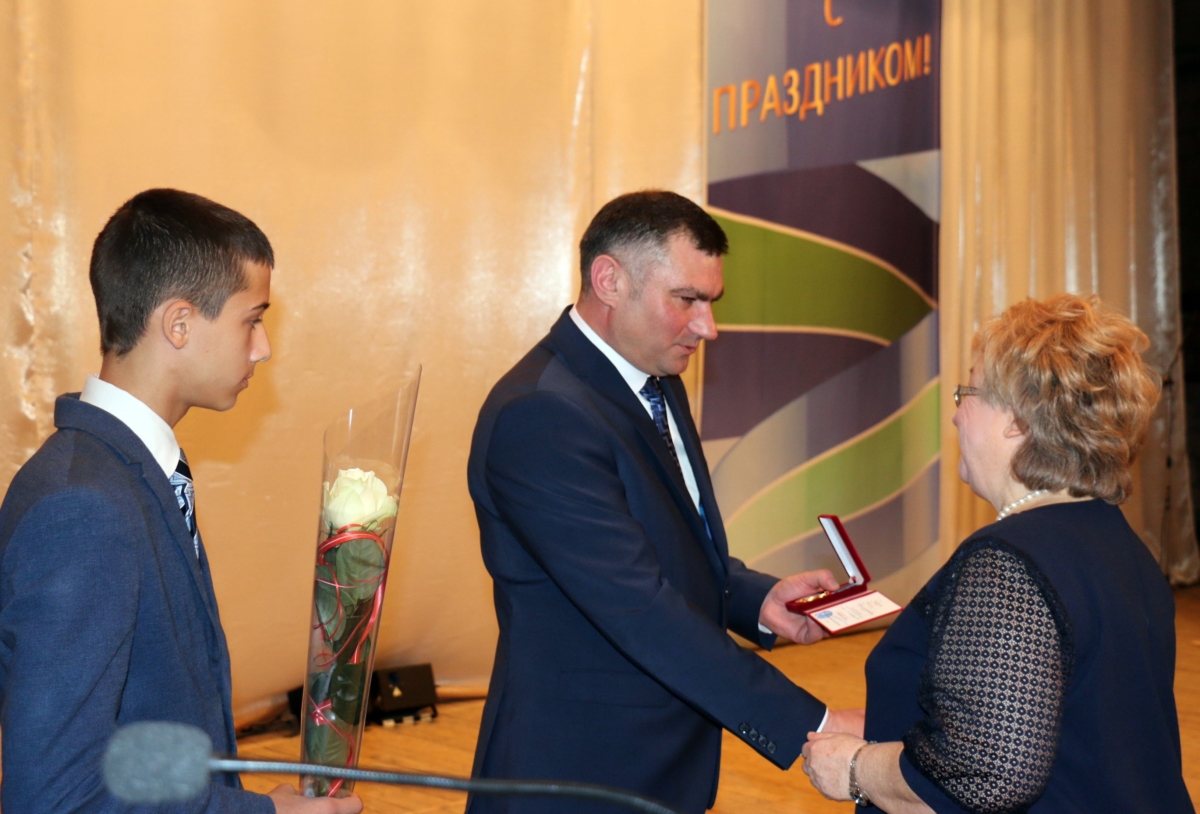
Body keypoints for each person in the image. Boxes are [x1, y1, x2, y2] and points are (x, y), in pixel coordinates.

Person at [467, 190, 857, 814]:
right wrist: (815, 723)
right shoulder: (541, 414)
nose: (708, 327)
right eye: (687, 300)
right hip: (577, 774)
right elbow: (637, 606)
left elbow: (659, 543)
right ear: (609, 280)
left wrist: (755, 600)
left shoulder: (653, 377)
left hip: (657, 764)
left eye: (712, 302)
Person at [0, 189, 362, 814]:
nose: (263, 346)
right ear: (179, 323)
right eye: (252, 319)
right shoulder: (83, 508)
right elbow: (56, 799)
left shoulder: (122, 472)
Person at [802, 294, 1195, 812]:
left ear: (1017, 419)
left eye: (968, 392)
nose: (956, 416)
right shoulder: (1116, 541)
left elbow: (987, 773)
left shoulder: (1008, 561)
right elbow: (1069, 723)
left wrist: (856, 768)